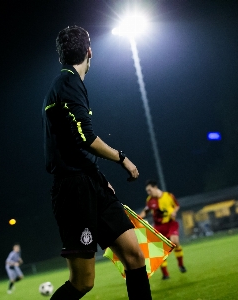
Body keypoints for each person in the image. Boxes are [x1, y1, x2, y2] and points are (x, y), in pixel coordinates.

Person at [42, 25, 152, 299]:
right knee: (83, 283)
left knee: (135, 257)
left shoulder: (70, 84)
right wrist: (122, 158)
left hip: (92, 184)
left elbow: (74, 145)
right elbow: (85, 138)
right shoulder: (67, 84)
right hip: (73, 192)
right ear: (90, 52)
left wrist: (100, 179)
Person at [139, 180, 186, 279]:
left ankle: (181, 264)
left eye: (149, 190)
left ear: (155, 187)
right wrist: (138, 218)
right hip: (158, 227)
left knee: (175, 242)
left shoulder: (168, 196)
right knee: (159, 250)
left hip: (170, 223)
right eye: (147, 191)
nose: (148, 193)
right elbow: (146, 211)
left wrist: (174, 212)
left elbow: (176, 205)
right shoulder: (149, 200)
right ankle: (165, 274)